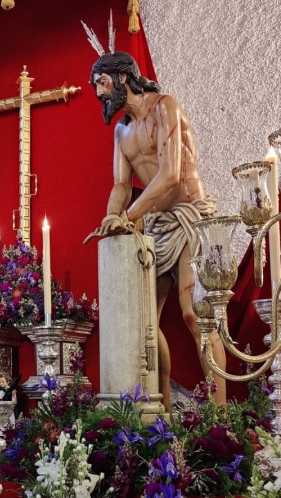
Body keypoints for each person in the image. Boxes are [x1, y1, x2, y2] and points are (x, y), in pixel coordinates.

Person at [82, 46, 227, 408]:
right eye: (95, 85)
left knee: (197, 316)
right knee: (143, 322)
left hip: (191, 215)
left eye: (102, 83)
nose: (99, 93)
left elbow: (170, 175)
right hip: (157, 225)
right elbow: (121, 185)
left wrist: (126, 218)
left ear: (122, 78)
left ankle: (222, 416)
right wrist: (110, 219)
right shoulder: (121, 132)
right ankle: (160, 409)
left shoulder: (165, 107)